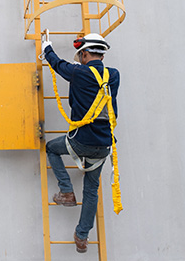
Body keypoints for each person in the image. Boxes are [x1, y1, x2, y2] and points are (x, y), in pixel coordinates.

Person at [41, 33, 120, 253]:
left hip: (81, 142)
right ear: (102, 56)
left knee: (51, 148)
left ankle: (66, 190)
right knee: (91, 190)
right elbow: (92, 76)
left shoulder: (77, 72)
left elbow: (57, 64)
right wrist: (80, 67)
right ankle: (82, 236)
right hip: (104, 145)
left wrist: (47, 47)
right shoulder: (114, 75)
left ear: (83, 53)